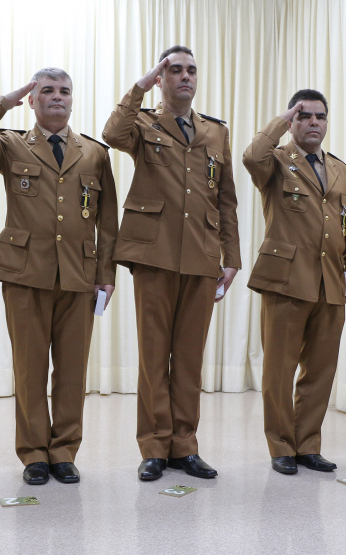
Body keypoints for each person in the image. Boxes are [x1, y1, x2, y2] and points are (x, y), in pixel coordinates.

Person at [0, 68, 118, 485]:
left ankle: (63, 452)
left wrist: (106, 273)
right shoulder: (11, 145)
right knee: (29, 369)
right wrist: (2, 103)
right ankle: (33, 453)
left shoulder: (94, 153)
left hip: (79, 275)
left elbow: (108, 221)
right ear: (32, 100)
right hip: (25, 272)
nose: (57, 97)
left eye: (65, 91)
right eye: (47, 91)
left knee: (72, 371)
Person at [102, 46, 241, 482]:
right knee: (153, 356)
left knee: (189, 359)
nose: (185, 76)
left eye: (191, 70)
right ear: (161, 79)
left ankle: (185, 446)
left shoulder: (216, 132)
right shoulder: (143, 122)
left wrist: (232, 258)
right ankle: (154, 447)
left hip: (201, 255)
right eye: (175, 70)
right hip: (154, 254)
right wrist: (139, 87)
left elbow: (226, 199)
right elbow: (112, 133)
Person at [243, 89, 346, 475]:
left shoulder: (341, 170)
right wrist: (280, 120)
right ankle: (281, 445)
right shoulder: (276, 161)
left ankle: (308, 444)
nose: (313, 122)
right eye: (304, 115)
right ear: (292, 121)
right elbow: (251, 156)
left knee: (320, 370)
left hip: (330, 283)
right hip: (286, 280)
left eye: (320, 116)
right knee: (279, 370)